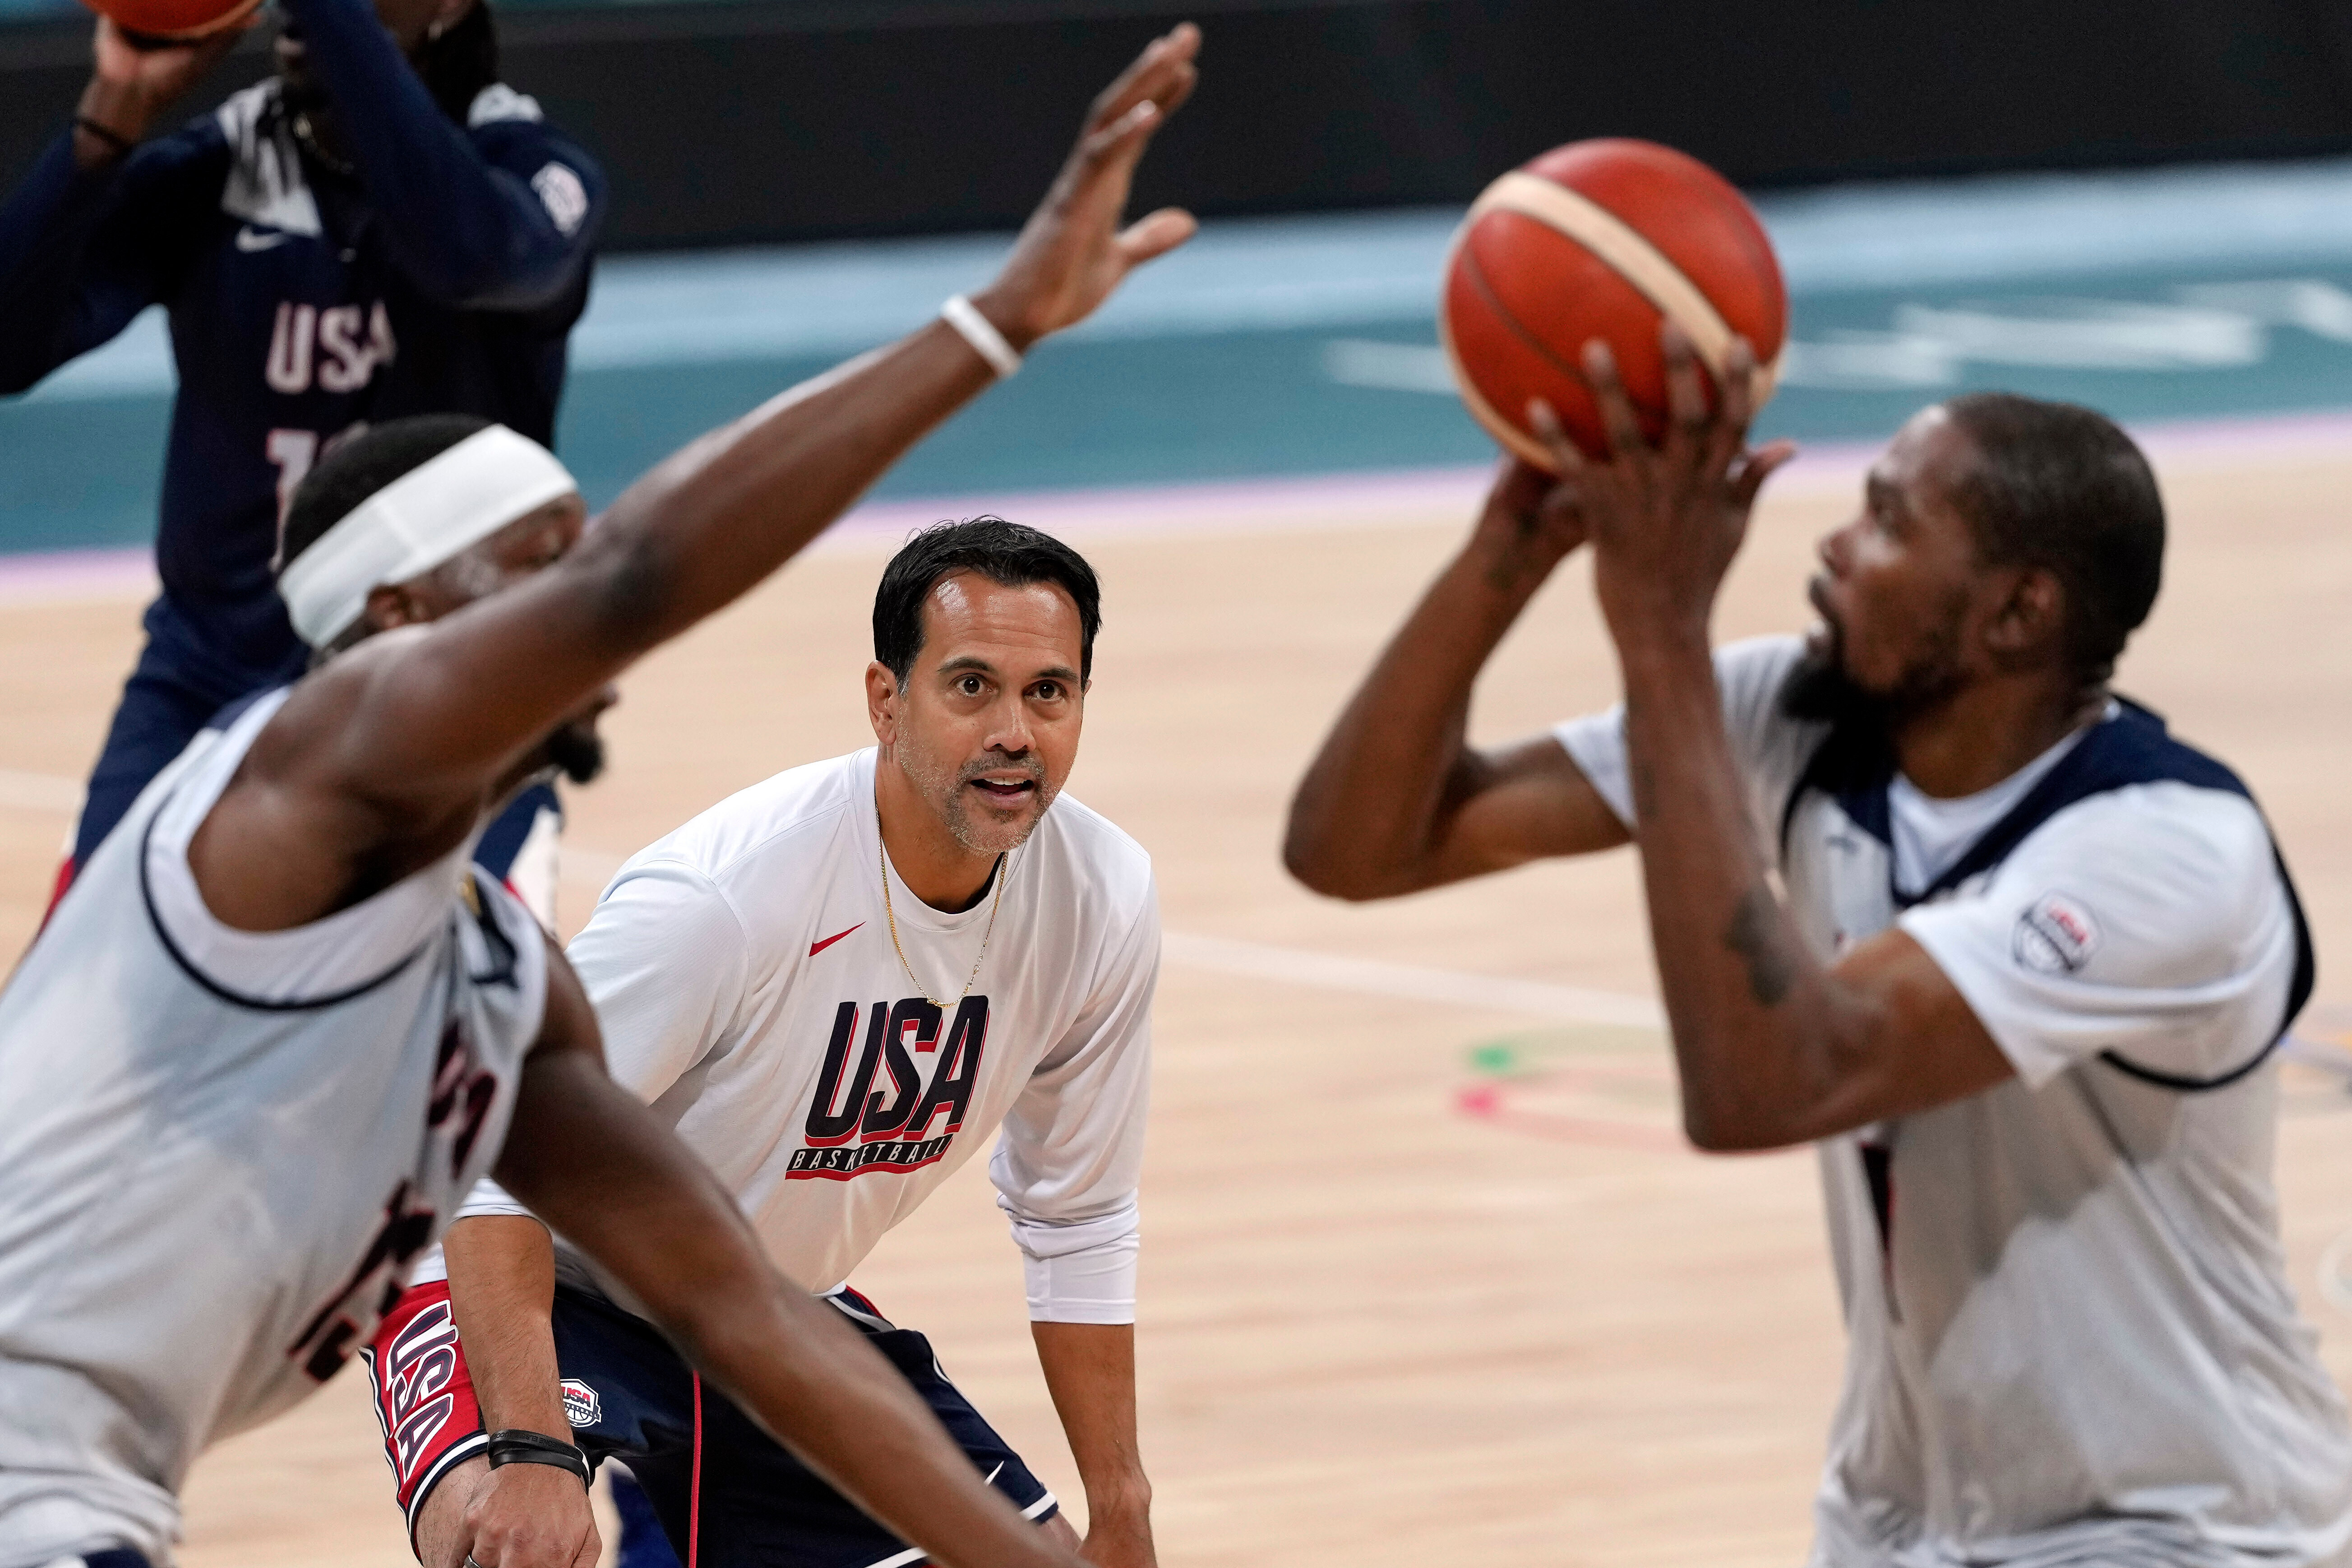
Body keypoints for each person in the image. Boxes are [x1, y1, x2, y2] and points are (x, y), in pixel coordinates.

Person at [0, 23, 1200, 1568]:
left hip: (88, 1484)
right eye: (532, 579)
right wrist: (991, 326)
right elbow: (645, 570)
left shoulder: (501, 984)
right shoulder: (298, 777)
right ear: (399, 625)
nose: (575, 618)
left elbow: (735, 1306)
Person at [1284, 328, 2352, 1566]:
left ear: (2017, 612)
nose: (1835, 546)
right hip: (1900, 1524)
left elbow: (1766, 1083)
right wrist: (1504, 554)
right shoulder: (1791, 717)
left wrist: (1654, 627)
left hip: (2180, 1532)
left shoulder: (2163, 853)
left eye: (1890, 521)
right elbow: (1350, 848)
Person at [363, 517, 1160, 1568]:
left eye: (1049, 693)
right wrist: (528, 1446)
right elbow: (492, 1154)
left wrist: (1122, 1505)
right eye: (971, 687)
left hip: (761, 1313)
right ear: (887, 700)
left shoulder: (1101, 897)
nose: (1015, 730)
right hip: (535, 1273)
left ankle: (674, 1514)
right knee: (505, 1539)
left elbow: (1079, 1216)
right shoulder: (725, 897)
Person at [0, 0, 602, 914]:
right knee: (68, 1032)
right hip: (211, 681)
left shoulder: (533, 169)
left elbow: (465, 255)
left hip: (446, 698)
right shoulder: (217, 168)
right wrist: (109, 115)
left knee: (470, 1033)